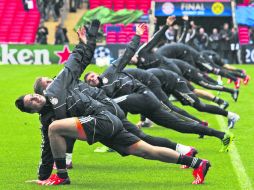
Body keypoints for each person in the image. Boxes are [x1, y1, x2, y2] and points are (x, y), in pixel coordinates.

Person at [15, 21, 211, 185]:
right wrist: (41, 177)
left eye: (33, 95)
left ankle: (62, 176)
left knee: (55, 128)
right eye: (32, 100)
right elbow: (46, 150)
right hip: (103, 126)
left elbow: (74, 64)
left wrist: (86, 41)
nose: (37, 97)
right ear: (32, 110)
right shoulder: (48, 116)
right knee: (146, 150)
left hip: (104, 117)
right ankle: (197, 163)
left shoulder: (59, 87)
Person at [84, 17, 234, 151]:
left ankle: (207, 117)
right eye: (88, 80)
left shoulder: (110, 72)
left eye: (91, 75)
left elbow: (128, 53)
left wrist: (137, 35)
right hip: (144, 106)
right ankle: (219, 136)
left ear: (96, 73)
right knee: (178, 127)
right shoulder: (100, 94)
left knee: (114, 104)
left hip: (145, 94)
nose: (91, 79)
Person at [147, 68, 240, 129]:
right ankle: (200, 124)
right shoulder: (140, 78)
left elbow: (147, 98)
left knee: (200, 106)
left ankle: (231, 116)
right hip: (167, 84)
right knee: (169, 107)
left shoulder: (142, 80)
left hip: (175, 83)